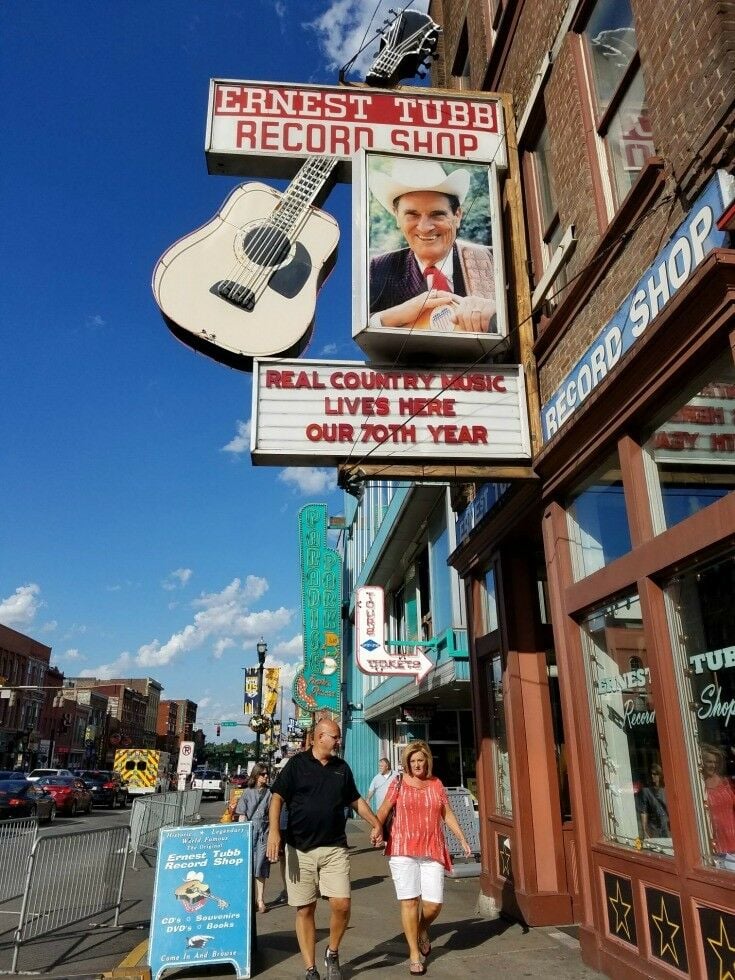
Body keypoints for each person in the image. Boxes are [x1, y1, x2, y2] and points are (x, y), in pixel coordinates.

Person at [266, 719, 383, 980]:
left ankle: (332, 951)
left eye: (339, 737)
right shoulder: (297, 764)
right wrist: (274, 831)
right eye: (335, 737)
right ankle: (311, 969)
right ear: (320, 737)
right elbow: (277, 798)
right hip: (300, 849)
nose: (339, 741)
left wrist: (376, 823)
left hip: (334, 847)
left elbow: (355, 800)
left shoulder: (342, 768)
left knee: (341, 904)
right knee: (305, 909)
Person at [376, 739, 472, 976]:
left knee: (433, 904)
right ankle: (414, 954)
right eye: (413, 761)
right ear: (407, 763)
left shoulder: (436, 784)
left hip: (432, 848)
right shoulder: (398, 784)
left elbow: (446, 813)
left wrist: (461, 837)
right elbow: (384, 810)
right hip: (403, 848)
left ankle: (421, 930)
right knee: (409, 902)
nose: (417, 764)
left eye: (421, 760)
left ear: (427, 761)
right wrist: (376, 829)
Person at [369, 157, 496, 334]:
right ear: (397, 217)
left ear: (457, 216)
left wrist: (496, 316)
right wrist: (391, 317)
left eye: (437, 215)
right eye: (412, 215)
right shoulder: (376, 270)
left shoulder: (493, 261)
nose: (424, 227)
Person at [235, 763, 272, 913]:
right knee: (248, 866)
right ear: (256, 776)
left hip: (264, 832)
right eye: (263, 774)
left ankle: (260, 900)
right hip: (249, 831)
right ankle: (248, 899)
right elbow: (242, 814)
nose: (266, 776)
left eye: (267, 774)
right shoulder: (247, 792)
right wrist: (240, 834)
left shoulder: (270, 793)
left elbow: (273, 814)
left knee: (261, 866)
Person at [701, 743, 735, 856]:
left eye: (715, 762)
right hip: (716, 845)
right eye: (709, 762)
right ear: (701, 762)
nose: (713, 765)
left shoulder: (726, 782)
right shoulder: (700, 787)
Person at [639, 763, 670, 839]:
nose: (652, 776)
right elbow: (644, 811)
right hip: (654, 826)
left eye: (655, 774)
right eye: (651, 774)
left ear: (660, 775)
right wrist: (644, 830)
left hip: (665, 825)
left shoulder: (665, 790)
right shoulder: (646, 791)